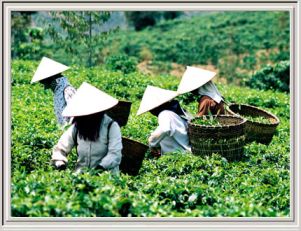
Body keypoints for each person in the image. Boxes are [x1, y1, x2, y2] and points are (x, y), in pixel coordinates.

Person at [51, 82, 122, 174]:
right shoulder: (78, 126)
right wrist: (60, 162)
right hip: (81, 175)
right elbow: (61, 148)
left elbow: (115, 155)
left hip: (106, 177)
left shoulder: (111, 126)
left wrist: (100, 167)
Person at [137, 85, 191, 157]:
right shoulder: (176, 111)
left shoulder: (165, 114)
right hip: (185, 152)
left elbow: (165, 129)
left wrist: (151, 144)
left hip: (178, 155)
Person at [31, 57, 76, 127]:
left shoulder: (67, 90)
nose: (45, 86)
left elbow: (76, 114)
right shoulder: (58, 91)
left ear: (51, 78)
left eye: (44, 82)